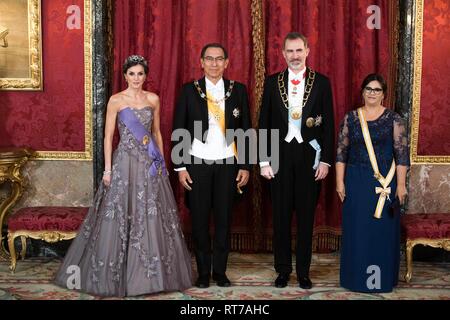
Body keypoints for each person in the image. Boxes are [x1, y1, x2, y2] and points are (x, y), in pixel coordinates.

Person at [54, 55, 193, 297]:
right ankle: (116, 276)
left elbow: (157, 133)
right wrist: (108, 170)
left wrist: (160, 160)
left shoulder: (153, 99)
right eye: (132, 74)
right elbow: (108, 137)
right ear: (125, 76)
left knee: (150, 218)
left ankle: (150, 277)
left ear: (145, 75)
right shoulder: (116, 100)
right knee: (119, 217)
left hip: (149, 165)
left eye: (140, 74)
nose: (136, 78)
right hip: (124, 164)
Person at [258, 32, 334, 289]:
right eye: (290, 51)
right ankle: (282, 270)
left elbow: (329, 127)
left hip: (309, 158)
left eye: (299, 50)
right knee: (280, 217)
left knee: (305, 218)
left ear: (307, 51)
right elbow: (264, 124)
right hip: (278, 157)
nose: (295, 56)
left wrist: (325, 161)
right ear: (283, 54)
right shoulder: (272, 83)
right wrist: (263, 161)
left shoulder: (322, 83)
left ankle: (303, 271)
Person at [172, 43, 251, 288]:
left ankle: (220, 272)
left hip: (228, 162)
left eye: (219, 59)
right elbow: (180, 128)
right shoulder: (189, 90)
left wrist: (246, 165)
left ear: (227, 63)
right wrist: (181, 166)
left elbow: (246, 128)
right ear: (201, 62)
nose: (214, 64)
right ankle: (204, 272)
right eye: (209, 59)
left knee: (224, 220)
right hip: (197, 163)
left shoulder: (238, 90)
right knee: (199, 220)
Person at [336, 73, 409, 293]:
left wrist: (402, 185)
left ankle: (380, 279)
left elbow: (402, 156)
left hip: (384, 185)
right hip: (356, 182)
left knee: (381, 232)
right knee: (358, 230)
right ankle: (356, 278)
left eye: (377, 90)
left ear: (384, 94)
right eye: (368, 89)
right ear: (362, 92)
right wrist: (340, 182)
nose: (372, 93)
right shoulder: (351, 118)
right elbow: (341, 152)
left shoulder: (394, 120)